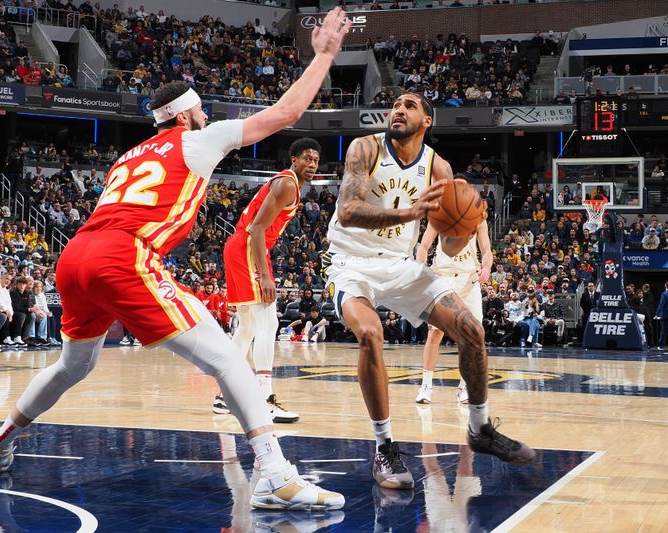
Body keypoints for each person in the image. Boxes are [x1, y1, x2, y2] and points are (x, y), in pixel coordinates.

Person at [0, 8, 351, 512]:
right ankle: (274, 475)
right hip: (123, 254)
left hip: (76, 254)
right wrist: (325, 56)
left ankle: (0, 441)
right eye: (201, 110)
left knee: (74, 364)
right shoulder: (198, 138)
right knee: (226, 356)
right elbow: (285, 115)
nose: (206, 117)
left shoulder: (127, 156)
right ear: (184, 116)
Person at [324, 92, 535, 491]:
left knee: (472, 328)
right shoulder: (365, 148)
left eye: (409, 106)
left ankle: (480, 428)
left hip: (401, 266)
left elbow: (450, 242)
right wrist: (410, 213)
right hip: (350, 262)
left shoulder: (439, 168)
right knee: (370, 334)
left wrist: (468, 222)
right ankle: (384, 447)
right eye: (395, 104)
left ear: (426, 122)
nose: (397, 110)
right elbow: (349, 211)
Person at [213, 138, 322, 423]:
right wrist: (263, 274)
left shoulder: (288, 185)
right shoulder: (287, 183)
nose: (311, 164)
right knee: (267, 321)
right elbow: (258, 228)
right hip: (249, 247)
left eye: (316, 161)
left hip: (242, 247)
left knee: (248, 325)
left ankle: (225, 396)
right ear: (294, 159)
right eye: (307, 158)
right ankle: (263, 398)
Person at [414, 218, 492, 405]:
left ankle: (464, 387)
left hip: (469, 280)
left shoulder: (478, 218)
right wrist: (420, 267)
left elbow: (487, 249)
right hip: (443, 278)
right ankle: (426, 386)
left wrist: (487, 266)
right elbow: (424, 246)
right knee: (435, 332)